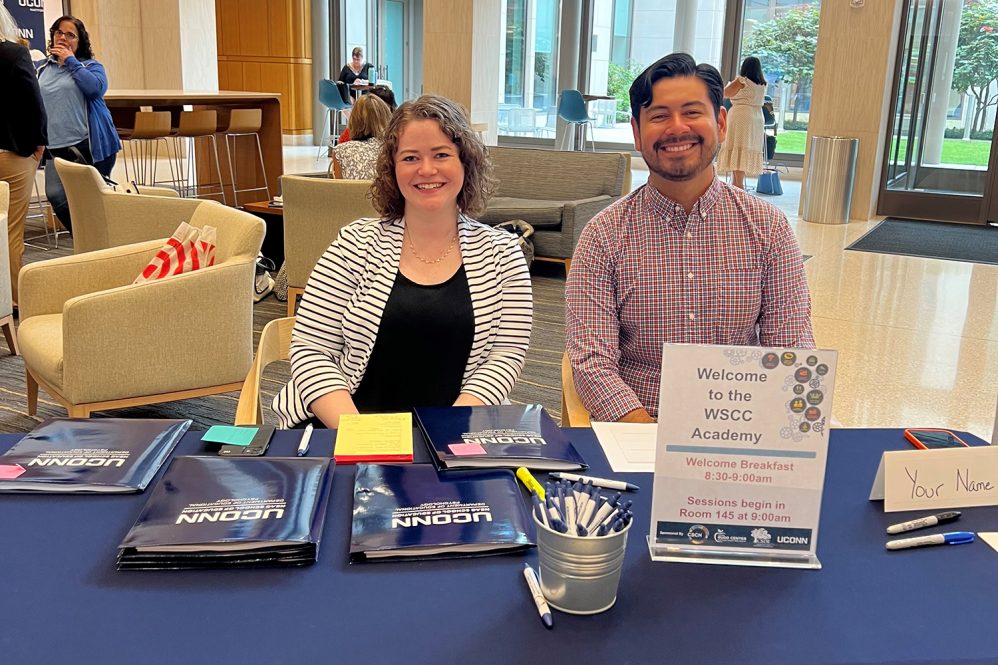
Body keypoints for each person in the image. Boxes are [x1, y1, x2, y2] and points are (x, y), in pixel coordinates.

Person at [565, 53, 813, 423]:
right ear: (636, 132)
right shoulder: (603, 236)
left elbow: (791, 348)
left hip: (742, 431)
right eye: (659, 116)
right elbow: (592, 362)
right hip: (640, 427)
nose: (677, 128)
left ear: (722, 122)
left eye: (692, 112)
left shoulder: (769, 227)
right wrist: (653, 443)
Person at [273, 95, 533, 429]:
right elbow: (310, 350)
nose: (427, 170)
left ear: (465, 162)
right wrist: (359, 435)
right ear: (392, 169)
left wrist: (447, 431)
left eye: (441, 154)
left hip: (456, 430)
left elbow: (505, 358)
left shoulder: (503, 253)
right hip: (342, 427)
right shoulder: (354, 243)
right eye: (410, 157)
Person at [35, 15, 120, 233]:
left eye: (70, 35)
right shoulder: (42, 69)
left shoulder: (92, 66)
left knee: (92, 199)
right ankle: (86, 237)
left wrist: (70, 61)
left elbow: (94, 89)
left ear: (79, 42)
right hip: (56, 147)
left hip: (89, 145)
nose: (63, 38)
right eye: (58, 33)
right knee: (55, 195)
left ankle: (99, 242)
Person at [0, 5, 47, 309]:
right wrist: (39, 145)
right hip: (12, 154)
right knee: (10, 231)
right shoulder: (15, 54)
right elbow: (34, 104)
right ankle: (14, 301)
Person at [716, 56, 767, 189]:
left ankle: (737, 186)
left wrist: (730, 84)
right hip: (756, 117)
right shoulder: (762, 83)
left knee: (737, 147)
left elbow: (725, 93)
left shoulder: (742, 81)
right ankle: (738, 183)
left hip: (741, 116)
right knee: (744, 148)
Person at [330, 94, 391, 179]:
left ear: (353, 119)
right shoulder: (393, 149)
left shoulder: (340, 151)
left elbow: (339, 189)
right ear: (386, 117)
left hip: (352, 192)